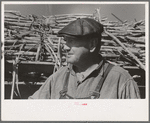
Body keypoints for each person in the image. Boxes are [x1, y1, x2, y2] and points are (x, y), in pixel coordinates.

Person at [29, 18, 140, 99]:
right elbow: (31, 109)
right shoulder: (58, 78)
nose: (65, 47)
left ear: (92, 45)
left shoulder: (120, 80)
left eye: (71, 41)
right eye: (65, 41)